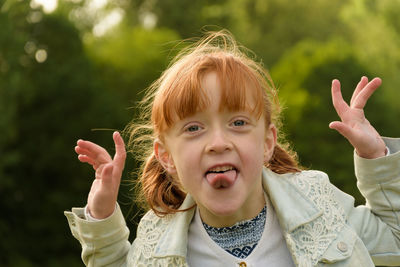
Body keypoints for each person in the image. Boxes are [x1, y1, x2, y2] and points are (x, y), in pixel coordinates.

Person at [65, 31, 400, 266]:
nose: (219, 143)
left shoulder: (320, 207)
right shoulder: (156, 247)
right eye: (194, 128)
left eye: (238, 123)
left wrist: (375, 158)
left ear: (267, 142)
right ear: (166, 157)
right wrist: (103, 215)